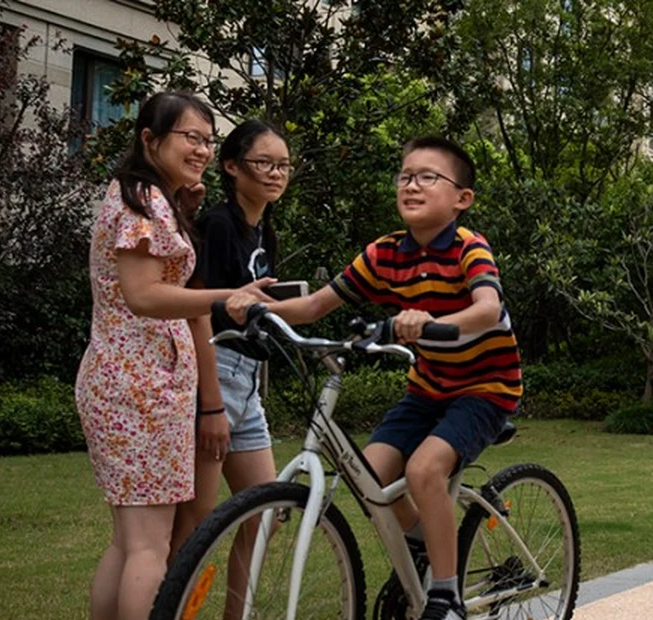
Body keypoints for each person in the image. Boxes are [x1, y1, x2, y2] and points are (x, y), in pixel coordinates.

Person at [224, 136, 519, 620]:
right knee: (370, 477)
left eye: (428, 177)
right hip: (427, 389)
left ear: (461, 199)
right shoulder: (385, 254)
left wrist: (429, 321)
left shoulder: (469, 248)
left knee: (423, 471)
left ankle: (446, 596)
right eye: (405, 176)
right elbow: (315, 306)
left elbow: (487, 309)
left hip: (485, 389)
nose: (412, 185)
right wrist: (256, 306)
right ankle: (424, 542)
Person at [75, 91, 275, 620]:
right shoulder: (143, 200)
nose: (203, 150)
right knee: (148, 547)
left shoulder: (144, 196)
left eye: (208, 140)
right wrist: (229, 297)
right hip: (142, 385)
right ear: (150, 138)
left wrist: (182, 210)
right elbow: (143, 295)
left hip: (131, 380)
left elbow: (153, 273)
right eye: (191, 137)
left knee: (130, 543)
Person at [176, 119, 296, 615]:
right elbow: (197, 311)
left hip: (246, 379)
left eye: (283, 165)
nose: (275, 174)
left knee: (264, 513)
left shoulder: (264, 228)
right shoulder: (220, 225)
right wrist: (209, 404)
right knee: (198, 522)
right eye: (263, 163)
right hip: (216, 369)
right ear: (231, 167)